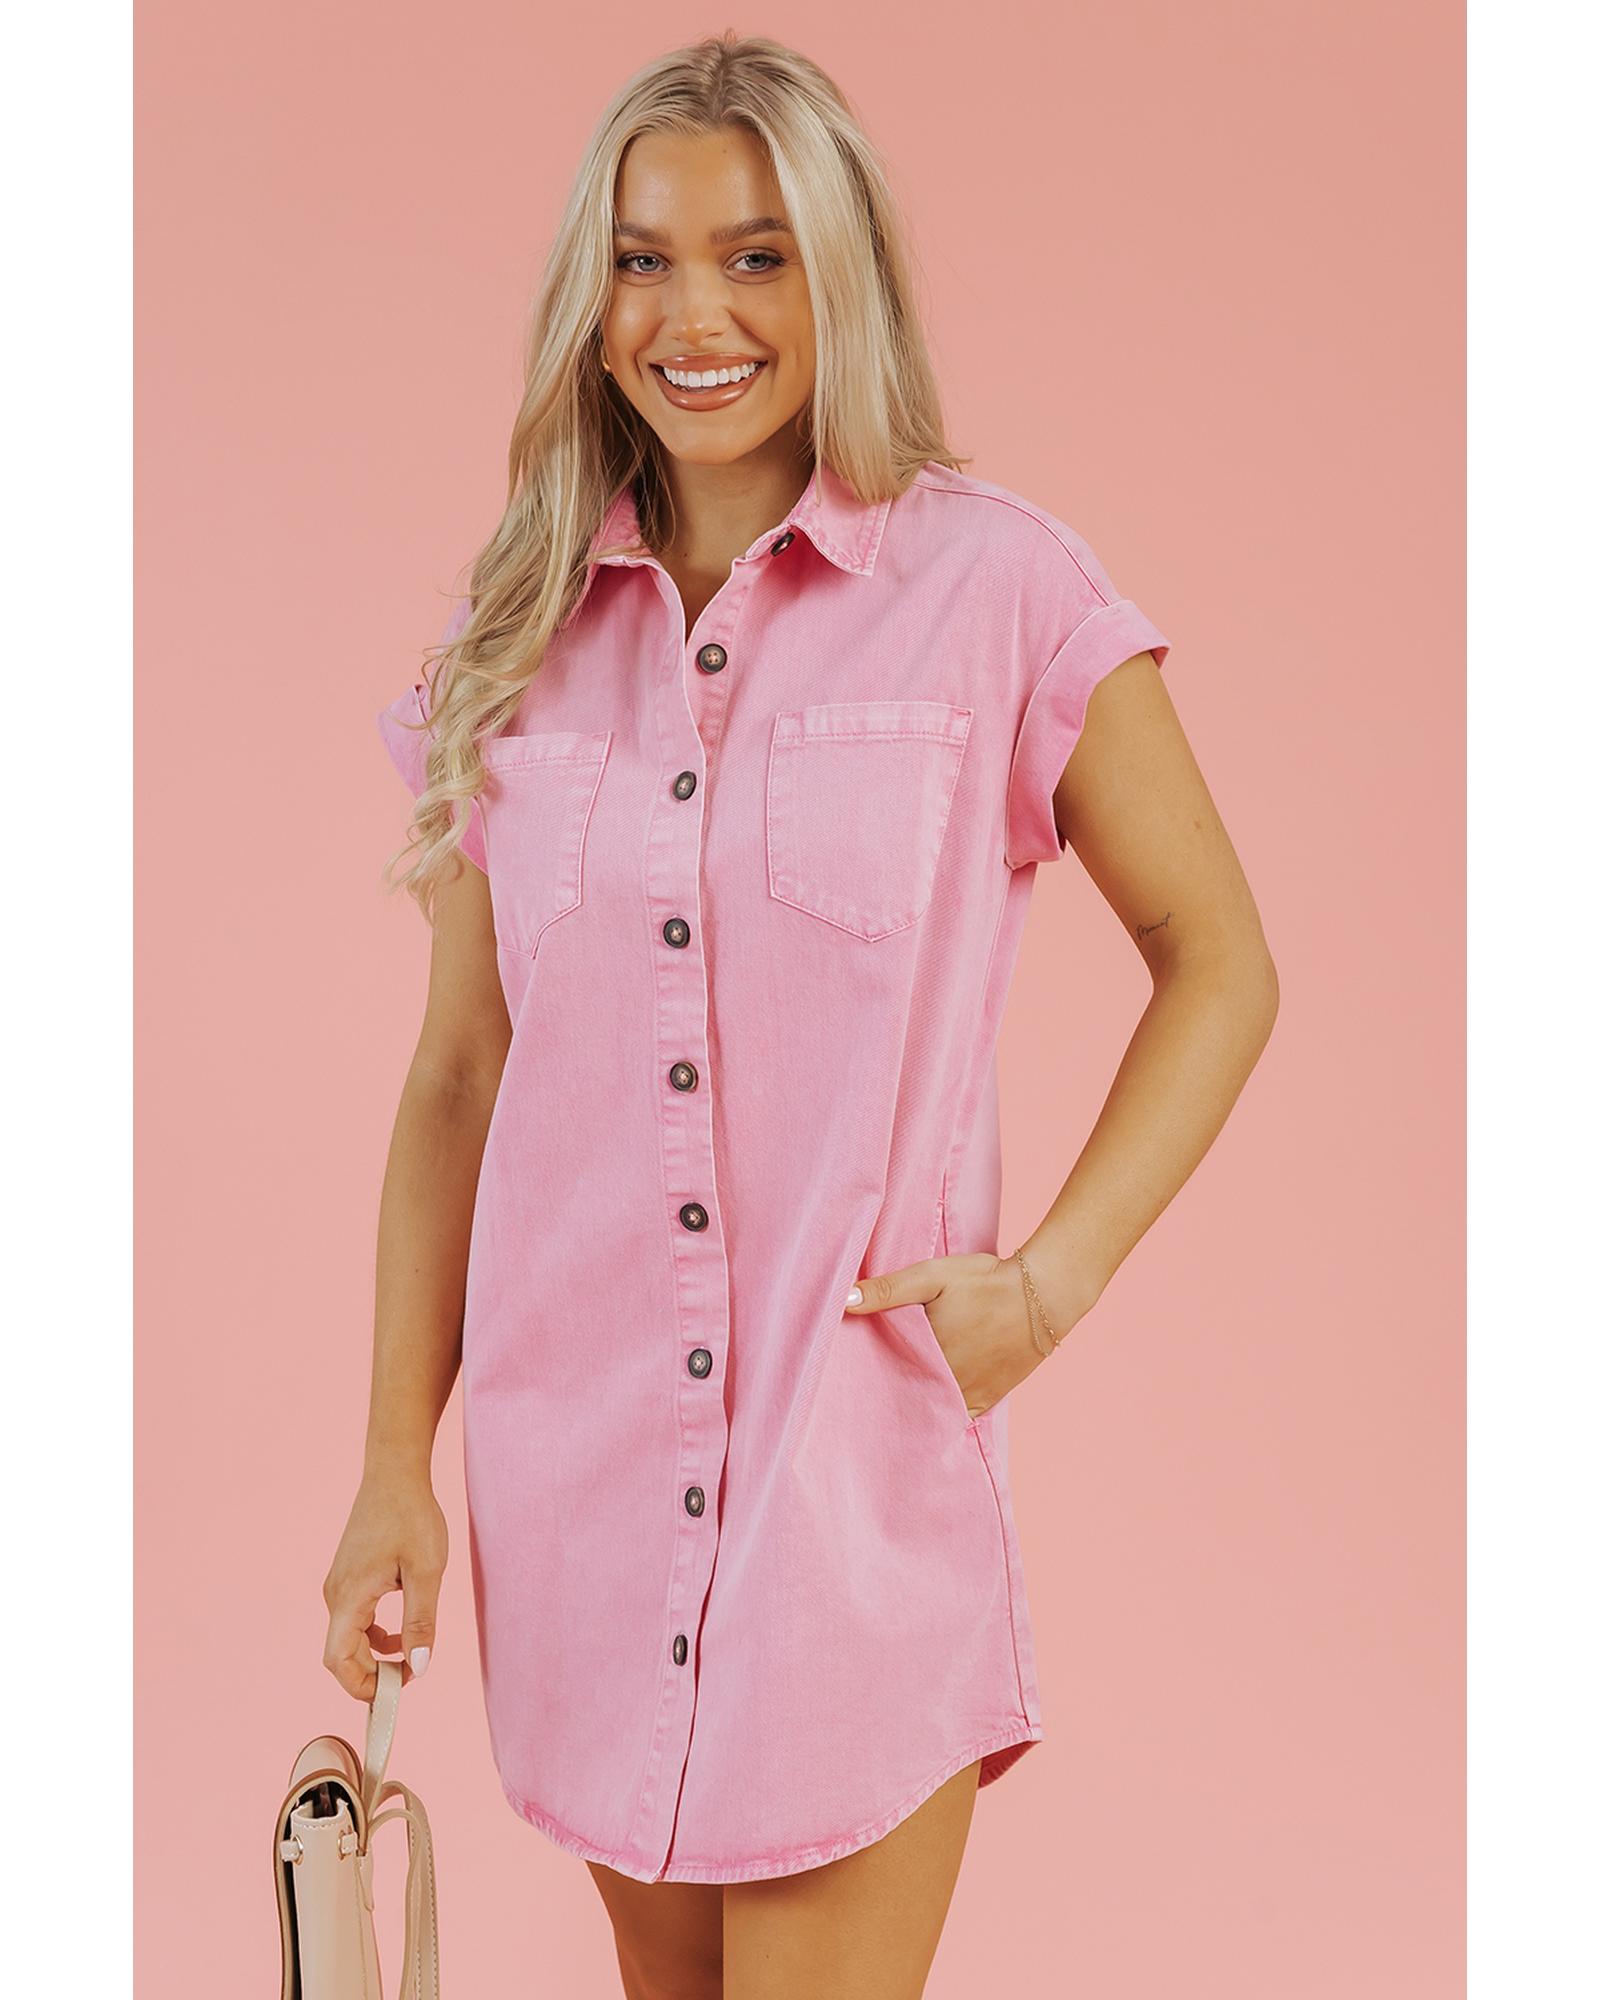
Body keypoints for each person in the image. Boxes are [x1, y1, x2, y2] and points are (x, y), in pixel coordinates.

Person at [321, 30, 1278, 2000]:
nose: (697, 317)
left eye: (756, 256)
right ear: (589, 301)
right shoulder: (512, 640)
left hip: (850, 1505)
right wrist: (394, 1464)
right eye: (645, 260)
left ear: (840, 273)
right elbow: (458, 1076)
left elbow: (1219, 955)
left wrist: (1047, 1282)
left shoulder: (995, 587)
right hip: (580, 1501)